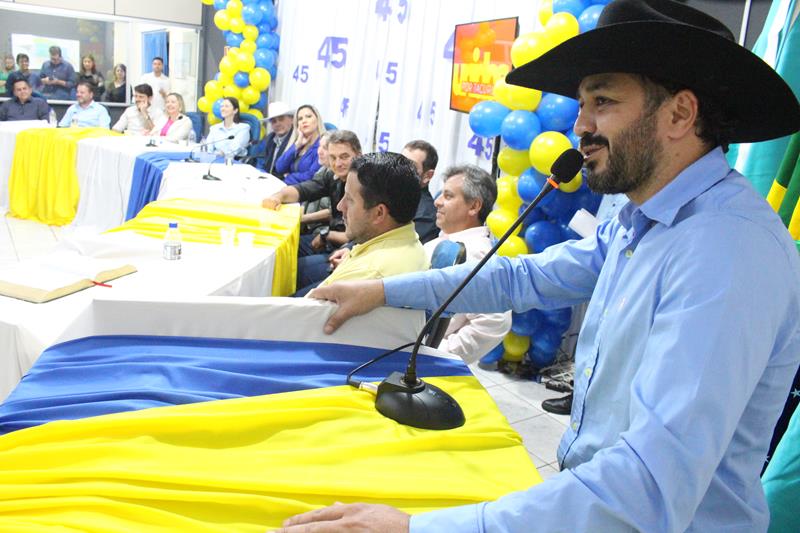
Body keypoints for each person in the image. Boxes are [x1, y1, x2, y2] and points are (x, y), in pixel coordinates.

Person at [283, 0, 800, 531]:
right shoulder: (637, 210)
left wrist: (420, 528)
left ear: (679, 114)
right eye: (581, 104)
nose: (580, 125)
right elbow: (527, 275)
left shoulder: (727, 252)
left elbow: (650, 483)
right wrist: (386, 289)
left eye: (601, 101)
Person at [423, 164, 511, 362]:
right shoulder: (444, 240)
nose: (437, 202)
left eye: (448, 196)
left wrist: (435, 351)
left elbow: (494, 322)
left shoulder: (475, 253)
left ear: (474, 206)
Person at [263, 130, 361, 293]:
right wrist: (278, 196)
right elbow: (303, 190)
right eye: (333, 158)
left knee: (293, 269)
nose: (338, 163)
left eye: (344, 157)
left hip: (349, 252)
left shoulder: (364, 184)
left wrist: (326, 235)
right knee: (281, 247)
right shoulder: (331, 175)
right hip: (331, 240)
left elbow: (358, 236)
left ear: (358, 155)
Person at [313, 151, 427, 288]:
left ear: (379, 213)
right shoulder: (405, 239)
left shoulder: (366, 276)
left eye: (349, 200)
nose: (340, 206)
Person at [274, 104, 324, 185]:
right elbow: (279, 167)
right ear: (297, 125)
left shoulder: (323, 145)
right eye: (300, 119)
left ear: (317, 120)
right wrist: (297, 145)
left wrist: (289, 177)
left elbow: (312, 176)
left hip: (305, 194)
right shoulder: (299, 144)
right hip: (289, 187)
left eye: (308, 116)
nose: (304, 121)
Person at [402, 140, 439, 244]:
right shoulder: (389, 194)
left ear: (428, 175)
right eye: (400, 161)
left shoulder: (425, 216)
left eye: (410, 165)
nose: (401, 168)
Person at [260, 101, 294, 177]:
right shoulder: (270, 138)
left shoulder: (297, 140)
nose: (277, 124)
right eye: (273, 121)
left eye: (281, 119)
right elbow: (265, 163)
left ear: (292, 120)